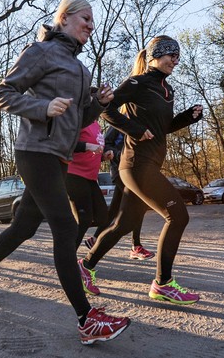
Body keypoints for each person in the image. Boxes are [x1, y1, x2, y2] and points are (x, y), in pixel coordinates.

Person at [0, 0, 130, 345]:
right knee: (66, 226)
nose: (90, 25)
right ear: (65, 17)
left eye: (92, 21)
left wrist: (97, 105)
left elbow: (80, 119)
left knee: (24, 226)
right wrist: (42, 106)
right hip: (34, 150)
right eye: (85, 18)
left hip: (59, 156)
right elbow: (3, 94)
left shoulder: (81, 70)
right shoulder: (40, 52)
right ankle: (87, 319)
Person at [78, 35, 204, 305]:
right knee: (178, 216)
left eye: (177, 55)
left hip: (148, 164)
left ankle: (85, 266)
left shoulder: (165, 90)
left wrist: (186, 117)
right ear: (155, 55)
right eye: (171, 54)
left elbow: (162, 128)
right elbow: (106, 108)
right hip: (137, 165)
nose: (175, 60)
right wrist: (134, 130)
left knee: (124, 224)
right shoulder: (139, 82)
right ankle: (162, 283)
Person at [83, 125, 151, 259]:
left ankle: (95, 238)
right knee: (140, 203)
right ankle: (135, 246)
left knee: (114, 209)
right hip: (120, 170)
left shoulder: (141, 122)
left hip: (134, 170)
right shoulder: (119, 121)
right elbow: (106, 143)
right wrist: (121, 156)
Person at [65, 121, 112, 252]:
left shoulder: (96, 125)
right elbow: (65, 143)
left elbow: (94, 151)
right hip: (73, 174)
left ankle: (70, 227)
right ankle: (67, 257)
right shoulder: (79, 119)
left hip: (90, 177)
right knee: (84, 219)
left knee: (102, 217)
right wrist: (87, 146)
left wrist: (103, 156)